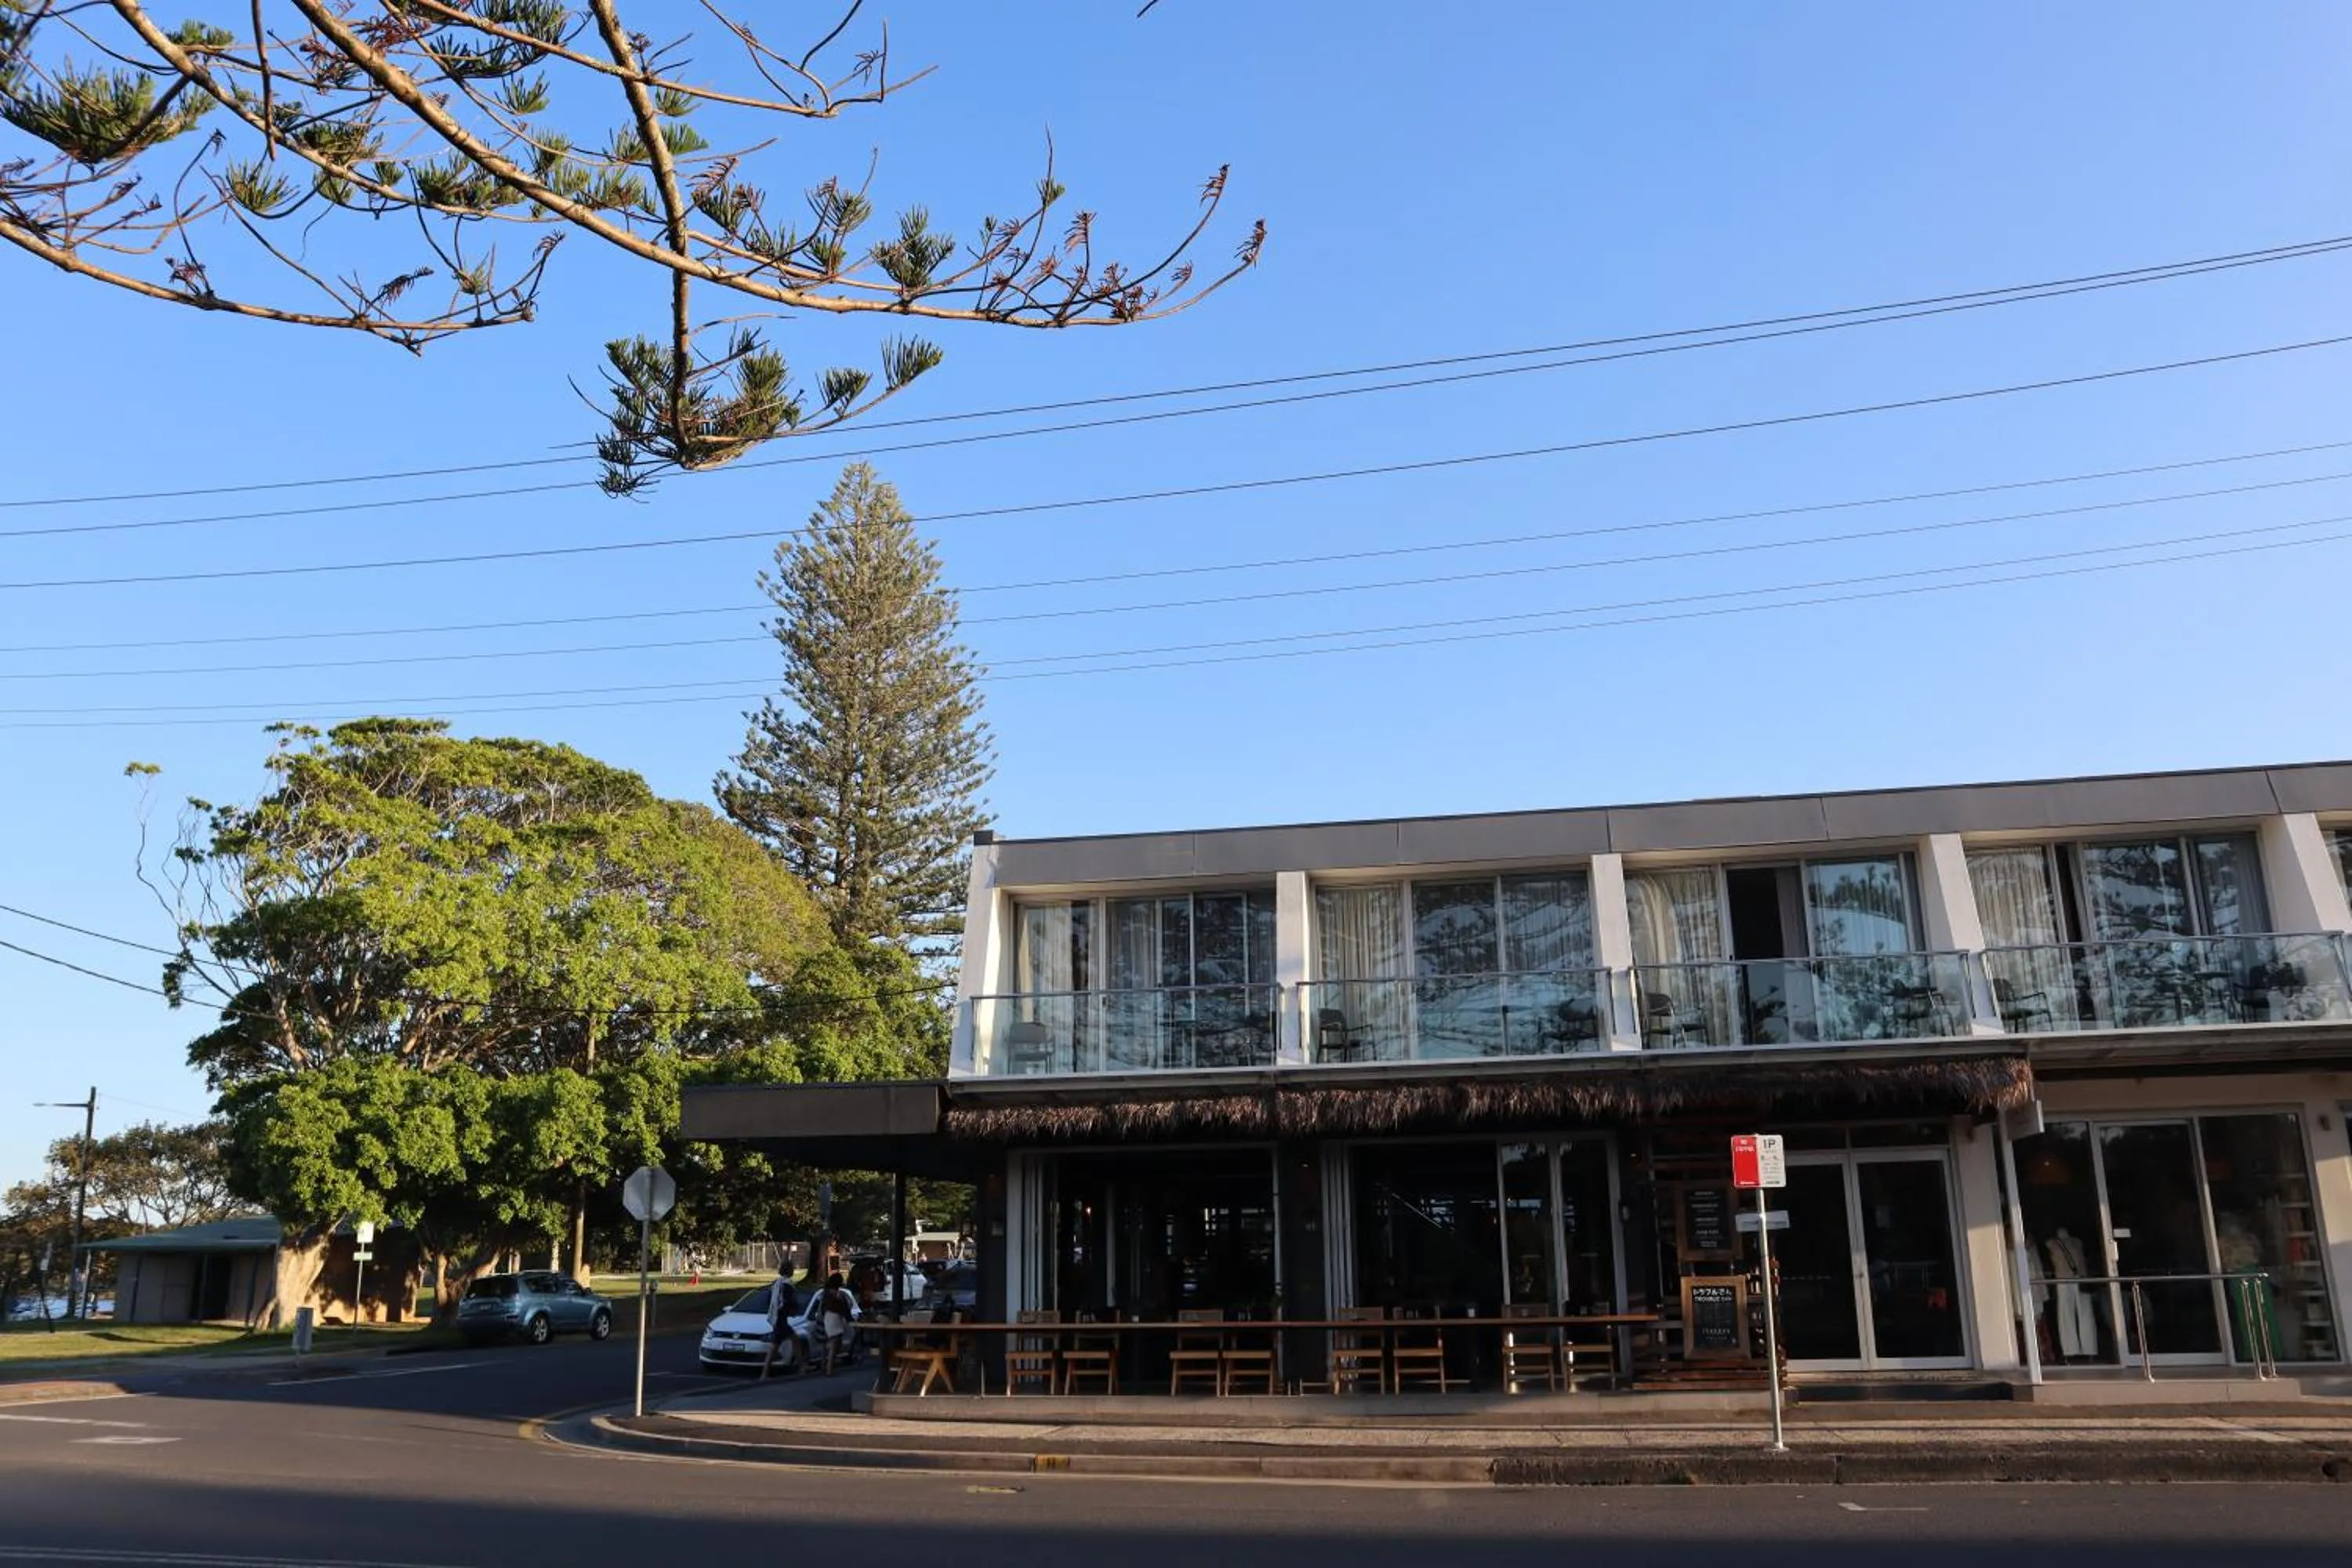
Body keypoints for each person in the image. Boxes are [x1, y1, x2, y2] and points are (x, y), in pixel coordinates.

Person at [759, 1269, 801, 1380]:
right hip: (781, 1320)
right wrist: (793, 1310)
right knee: (783, 1344)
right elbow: (787, 1301)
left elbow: (772, 1301)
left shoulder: (776, 1284)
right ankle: (801, 1365)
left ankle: (799, 1364)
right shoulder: (787, 1285)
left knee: (790, 1341)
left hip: (779, 1319)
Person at [816, 1272, 857, 1374]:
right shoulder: (838, 1294)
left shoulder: (825, 1293)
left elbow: (823, 1308)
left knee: (832, 1342)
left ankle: (825, 1364)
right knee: (835, 1343)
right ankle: (829, 1367)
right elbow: (845, 1309)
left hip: (828, 1318)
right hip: (835, 1318)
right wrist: (851, 1321)